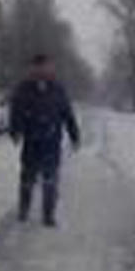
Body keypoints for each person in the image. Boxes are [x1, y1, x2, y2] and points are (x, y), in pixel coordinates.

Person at [8, 54, 80, 227]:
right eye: (38, 67)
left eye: (45, 66)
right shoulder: (24, 88)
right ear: (33, 68)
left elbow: (68, 114)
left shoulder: (58, 89)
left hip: (51, 142)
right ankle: (24, 208)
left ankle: (48, 215)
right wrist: (15, 131)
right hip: (31, 141)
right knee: (27, 178)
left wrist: (74, 135)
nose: (42, 70)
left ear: (50, 68)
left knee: (50, 180)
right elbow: (15, 112)